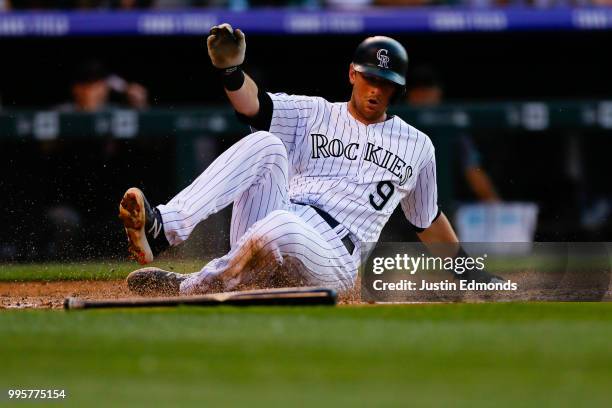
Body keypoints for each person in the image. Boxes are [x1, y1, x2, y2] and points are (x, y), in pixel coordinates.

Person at [119, 24, 502, 296]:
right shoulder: (313, 112)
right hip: (278, 217)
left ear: (398, 89)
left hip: (334, 254)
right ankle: (163, 226)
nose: (376, 89)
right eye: (370, 78)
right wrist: (231, 73)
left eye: (386, 83)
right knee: (264, 146)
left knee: (280, 228)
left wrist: (468, 271)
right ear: (352, 73)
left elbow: (427, 219)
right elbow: (254, 106)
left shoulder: (417, 145)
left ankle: (189, 286)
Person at [406, 65, 501, 203]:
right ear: (409, 94)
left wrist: (498, 207)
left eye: (428, 89)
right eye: (418, 90)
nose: (423, 95)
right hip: (400, 210)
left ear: (438, 92)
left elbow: (474, 173)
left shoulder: (454, 133)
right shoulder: (396, 127)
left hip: (445, 209)